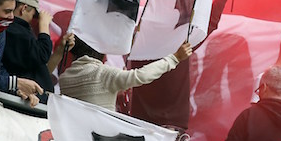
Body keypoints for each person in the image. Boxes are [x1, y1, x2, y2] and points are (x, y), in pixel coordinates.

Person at [130, 0, 239, 130]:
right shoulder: (180, 43)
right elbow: (210, 23)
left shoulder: (137, 42)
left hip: (139, 121)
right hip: (170, 124)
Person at [59, 35, 192, 112]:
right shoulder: (103, 73)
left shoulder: (64, 77)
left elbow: (92, 94)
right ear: (100, 51)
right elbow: (141, 76)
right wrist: (175, 58)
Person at [2, 0, 73, 102]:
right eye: (34, 15)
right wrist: (44, 25)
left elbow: (40, 68)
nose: (33, 19)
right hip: (23, 102)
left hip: (32, 101)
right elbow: (42, 54)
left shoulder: (19, 31)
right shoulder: (14, 30)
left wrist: (60, 50)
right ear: (23, 9)